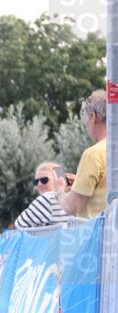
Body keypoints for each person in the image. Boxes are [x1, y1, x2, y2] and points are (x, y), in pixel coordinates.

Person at [58, 89, 108, 219]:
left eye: (85, 121)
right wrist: (80, 183)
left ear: (93, 117)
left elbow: (72, 207)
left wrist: (60, 190)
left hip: (100, 236)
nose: (86, 126)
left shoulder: (93, 155)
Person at [14, 162, 74, 229]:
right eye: (36, 181)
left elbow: (19, 224)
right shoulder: (77, 199)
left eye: (44, 180)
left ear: (58, 180)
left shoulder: (47, 199)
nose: (39, 184)